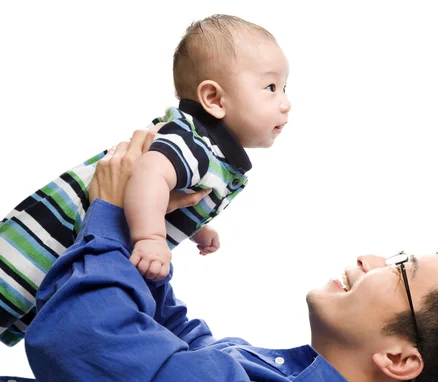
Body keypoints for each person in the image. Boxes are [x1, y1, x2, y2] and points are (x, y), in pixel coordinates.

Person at [21, 128, 438, 382]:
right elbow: (176, 345)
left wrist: (108, 215)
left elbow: (89, 348)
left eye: (399, 269)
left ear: (398, 359)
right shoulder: (286, 379)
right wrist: (145, 229)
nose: (367, 259)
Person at [0, 14, 291, 346]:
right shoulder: (196, 145)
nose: (285, 103)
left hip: (56, 249)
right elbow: (150, 174)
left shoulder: (204, 149)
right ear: (213, 99)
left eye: (284, 88)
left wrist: (194, 226)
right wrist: (151, 236)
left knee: (23, 306)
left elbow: (165, 190)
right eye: (270, 88)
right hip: (40, 245)